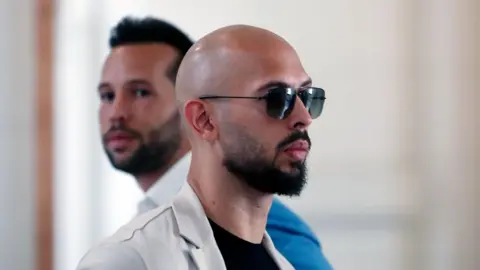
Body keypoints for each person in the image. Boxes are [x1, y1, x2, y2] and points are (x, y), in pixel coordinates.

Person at [88, 17, 332, 269]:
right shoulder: (129, 252)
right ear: (202, 118)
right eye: (107, 95)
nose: (116, 112)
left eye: (140, 92)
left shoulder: (274, 232)